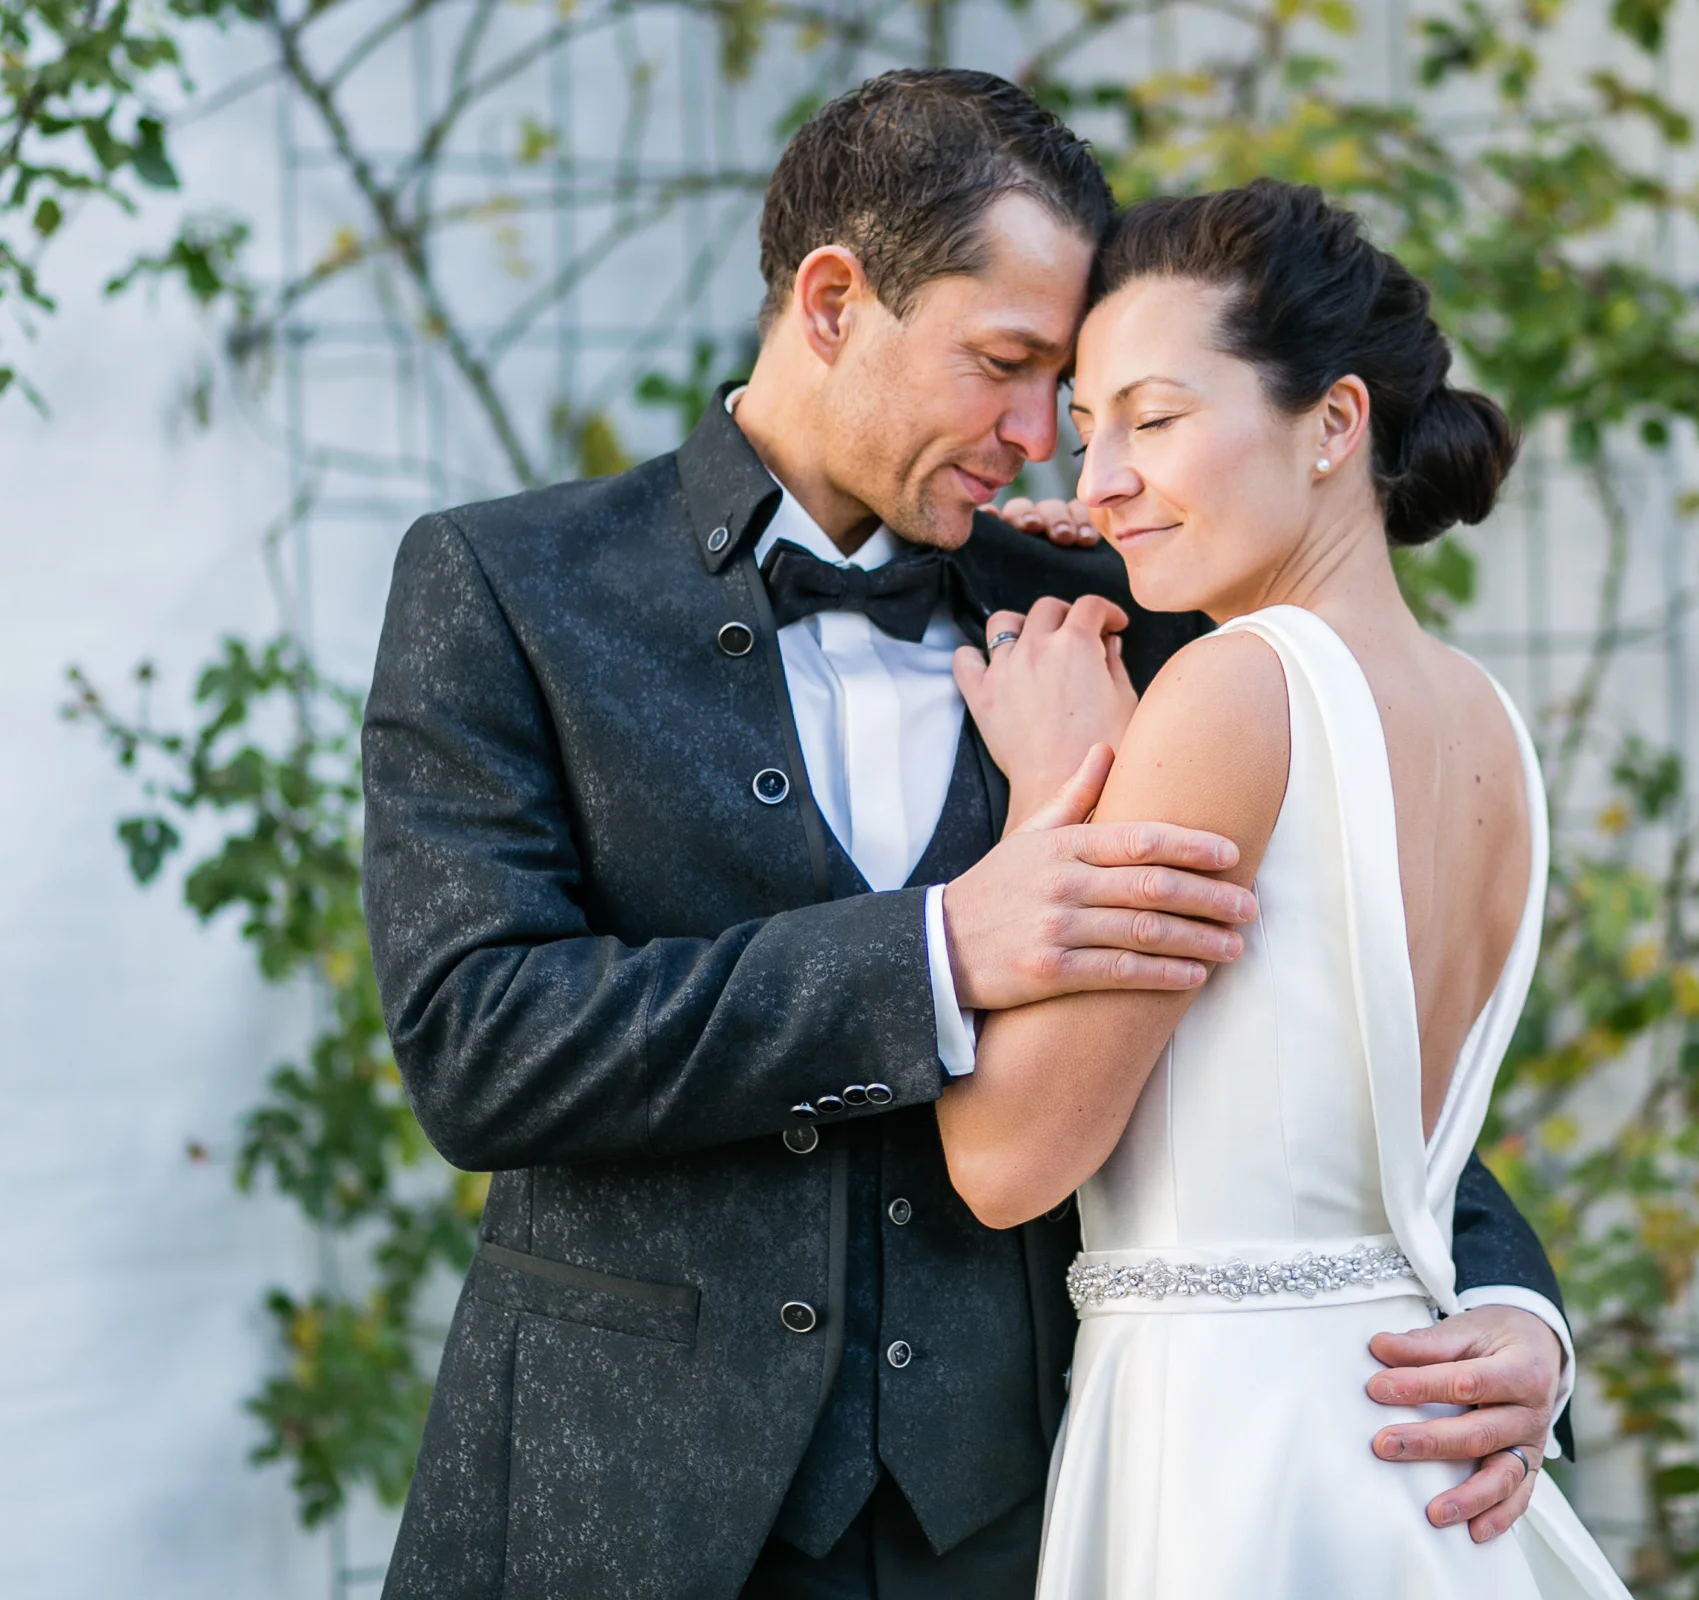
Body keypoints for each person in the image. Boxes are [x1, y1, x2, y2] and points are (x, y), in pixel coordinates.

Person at [360, 70, 1577, 1600]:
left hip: (1030, 1515)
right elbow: (477, 1044)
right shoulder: (508, 586)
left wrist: (1517, 1308)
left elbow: (1306, 1024)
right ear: (832, 303)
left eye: (1071, 387)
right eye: (1006, 367)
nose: (1041, 439)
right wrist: (936, 950)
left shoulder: (1130, 610)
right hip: (624, 1510)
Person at [938, 180, 1629, 1597]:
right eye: (1087, 427)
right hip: (1407, 1456)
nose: (1098, 478)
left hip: (1232, 1451)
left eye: (1155, 420)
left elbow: (1006, 1165)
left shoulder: (1232, 691)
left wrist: (1054, 790)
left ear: (1333, 422)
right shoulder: (1484, 719)